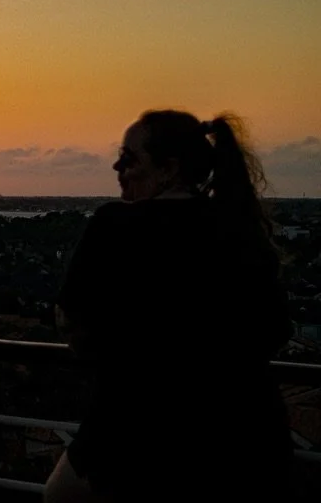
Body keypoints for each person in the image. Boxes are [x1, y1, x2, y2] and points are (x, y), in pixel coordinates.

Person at [44, 111, 293, 502]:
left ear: (168, 170)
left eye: (129, 159)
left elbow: (71, 320)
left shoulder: (115, 225)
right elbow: (275, 328)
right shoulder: (239, 228)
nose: (117, 167)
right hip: (247, 434)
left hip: (140, 431)